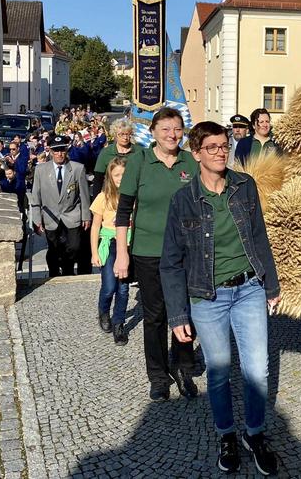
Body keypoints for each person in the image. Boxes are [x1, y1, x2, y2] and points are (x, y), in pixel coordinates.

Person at [161, 121, 281, 475]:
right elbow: (170, 263)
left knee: (257, 369)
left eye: (223, 146)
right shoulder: (183, 200)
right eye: (211, 147)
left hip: (248, 290)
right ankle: (227, 434)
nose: (219, 153)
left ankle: (254, 434)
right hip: (207, 297)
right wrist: (178, 315)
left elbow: (260, 238)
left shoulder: (245, 186)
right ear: (195, 153)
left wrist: (271, 286)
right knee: (218, 371)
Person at [113, 107, 201, 402]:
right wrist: (121, 254)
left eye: (177, 129)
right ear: (153, 132)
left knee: (186, 310)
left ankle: (184, 368)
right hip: (148, 252)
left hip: (186, 252)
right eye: (165, 129)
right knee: (155, 316)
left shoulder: (190, 161)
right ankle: (158, 376)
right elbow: (123, 213)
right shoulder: (139, 161)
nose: (172, 135)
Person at [30, 135, 91, 277]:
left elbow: (84, 195)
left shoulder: (77, 168)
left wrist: (86, 216)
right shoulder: (41, 170)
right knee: (54, 248)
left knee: (74, 246)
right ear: (50, 151)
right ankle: (54, 273)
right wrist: (37, 220)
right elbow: (35, 196)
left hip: (72, 214)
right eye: (56, 151)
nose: (59, 154)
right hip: (50, 215)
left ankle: (68, 269)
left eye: (62, 150)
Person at [91, 157, 131, 346]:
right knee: (109, 287)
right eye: (117, 175)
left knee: (123, 289)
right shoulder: (103, 197)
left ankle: (118, 323)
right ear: (110, 176)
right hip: (110, 244)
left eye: (124, 174)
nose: (120, 178)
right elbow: (95, 226)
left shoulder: (133, 196)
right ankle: (103, 310)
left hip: (128, 245)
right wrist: (94, 252)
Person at [93, 118, 137, 197]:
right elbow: (98, 180)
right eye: (121, 134)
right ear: (115, 135)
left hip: (133, 195)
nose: (125, 137)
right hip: (110, 195)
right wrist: (95, 201)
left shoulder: (139, 152)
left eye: (127, 134)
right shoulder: (106, 153)